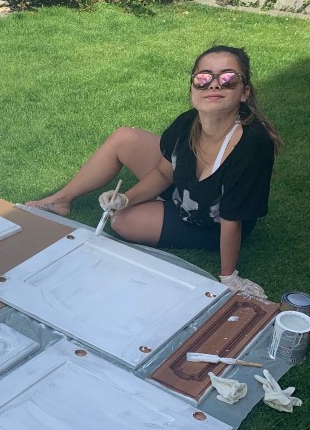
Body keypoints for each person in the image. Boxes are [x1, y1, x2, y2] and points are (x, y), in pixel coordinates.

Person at [25, 45, 282, 297]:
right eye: (203, 78)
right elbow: (163, 173)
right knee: (124, 138)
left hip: (211, 221)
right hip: (186, 189)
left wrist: (229, 276)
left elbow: (231, 217)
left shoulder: (253, 143)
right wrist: (126, 198)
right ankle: (62, 200)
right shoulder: (187, 122)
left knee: (123, 221)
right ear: (192, 89)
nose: (214, 85)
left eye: (227, 79)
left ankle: (162, 207)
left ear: (244, 92)